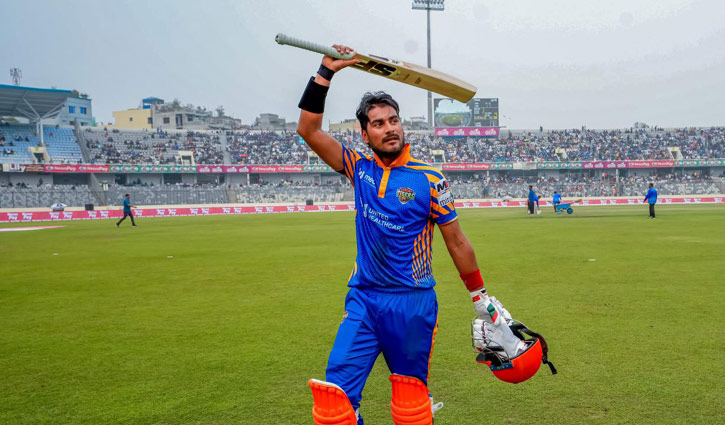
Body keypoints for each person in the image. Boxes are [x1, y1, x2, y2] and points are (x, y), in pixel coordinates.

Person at [296, 44, 527, 425]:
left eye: (393, 120)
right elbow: (308, 129)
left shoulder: (430, 179)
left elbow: (456, 241)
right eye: (378, 123)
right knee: (334, 405)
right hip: (364, 298)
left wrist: (480, 296)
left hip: (412, 304)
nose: (389, 128)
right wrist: (326, 72)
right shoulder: (357, 167)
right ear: (364, 133)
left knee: (410, 408)